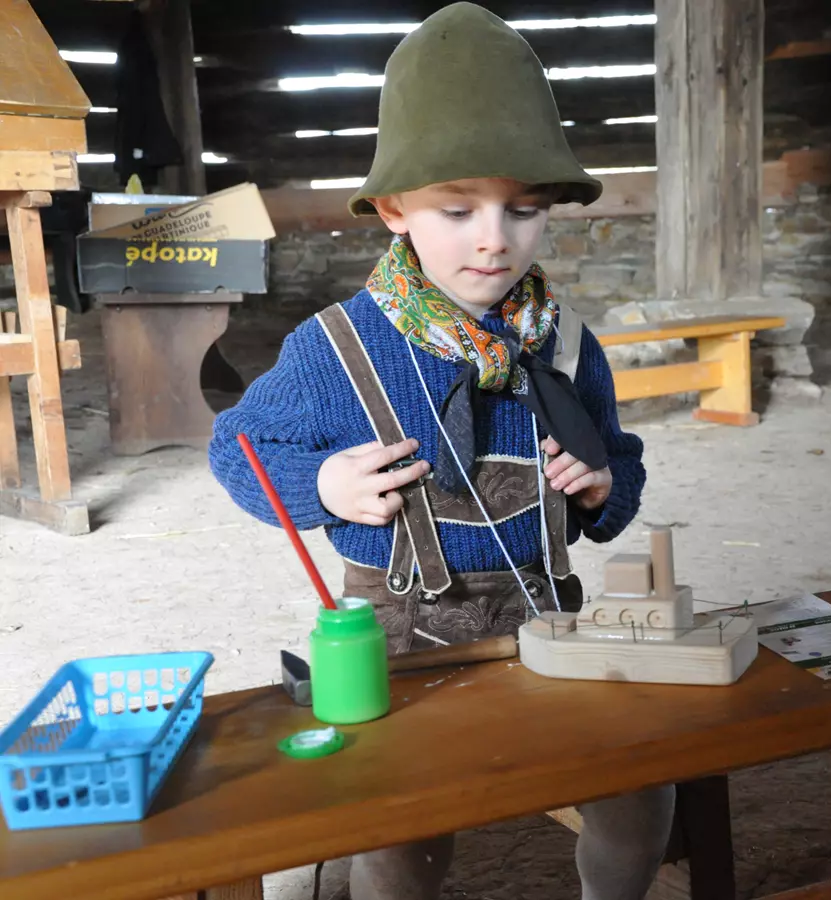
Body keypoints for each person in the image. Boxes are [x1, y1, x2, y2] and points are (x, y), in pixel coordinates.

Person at [206, 5, 674, 899]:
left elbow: (625, 463)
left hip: (546, 622)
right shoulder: (337, 346)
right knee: (400, 833)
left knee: (640, 794)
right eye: (457, 209)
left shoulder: (566, 344)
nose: (494, 237)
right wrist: (323, 485)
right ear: (393, 210)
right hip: (397, 642)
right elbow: (238, 448)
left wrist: (601, 490)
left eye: (523, 209)